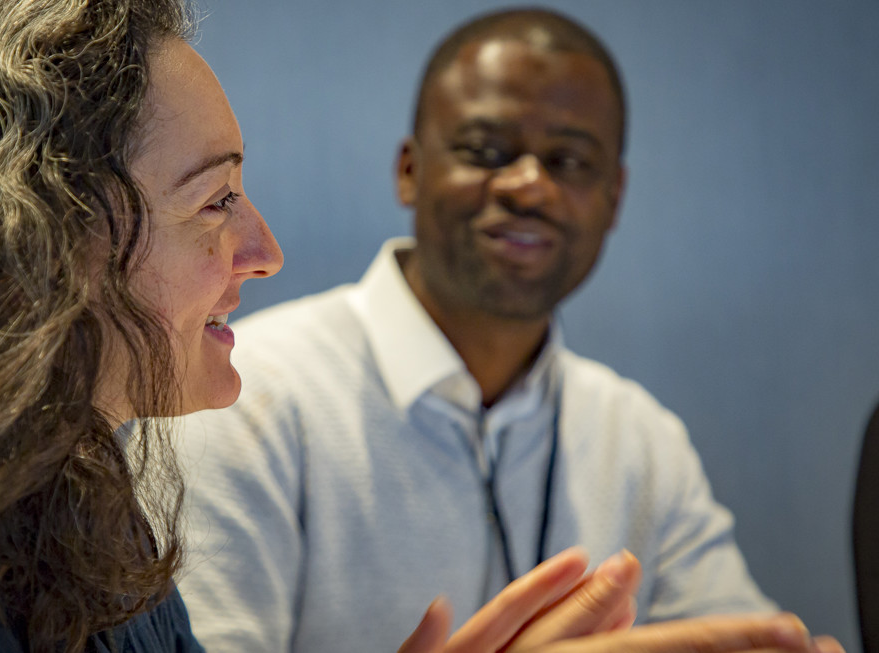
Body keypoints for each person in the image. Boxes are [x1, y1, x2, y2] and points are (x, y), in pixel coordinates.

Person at [0, 0, 841, 652]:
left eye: (572, 163)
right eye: (214, 199)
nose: (265, 248)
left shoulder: (72, 503)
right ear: (27, 230)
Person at [176, 7, 785, 653]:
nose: (529, 185)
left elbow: (745, 635)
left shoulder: (638, 438)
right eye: (486, 150)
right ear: (410, 170)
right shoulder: (240, 401)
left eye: (570, 160)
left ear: (614, 198)